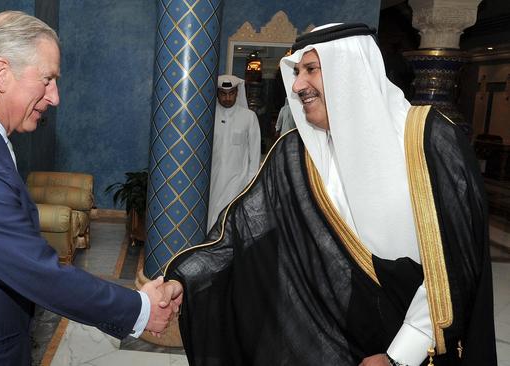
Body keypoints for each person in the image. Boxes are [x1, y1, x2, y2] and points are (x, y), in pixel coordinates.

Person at [161, 23, 496, 365]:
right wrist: (183, 281)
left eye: (310, 70)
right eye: (296, 72)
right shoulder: (295, 154)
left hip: (413, 346)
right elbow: (236, 235)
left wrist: (400, 355)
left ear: (350, 71)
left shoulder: (430, 141)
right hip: (326, 339)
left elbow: (456, 263)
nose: (297, 85)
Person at [0, 11, 179, 365]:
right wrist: (140, 310)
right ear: (1, 73)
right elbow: (35, 271)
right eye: (47, 79)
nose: (54, 97)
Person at [207, 74, 261, 231]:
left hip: (238, 181)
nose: (227, 98)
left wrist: (250, 184)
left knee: (229, 219)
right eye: (223, 94)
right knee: (212, 217)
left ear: (237, 93)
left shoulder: (249, 117)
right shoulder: (210, 116)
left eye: (231, 93)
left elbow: (255, 153)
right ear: (217, 94)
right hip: (213, 180)